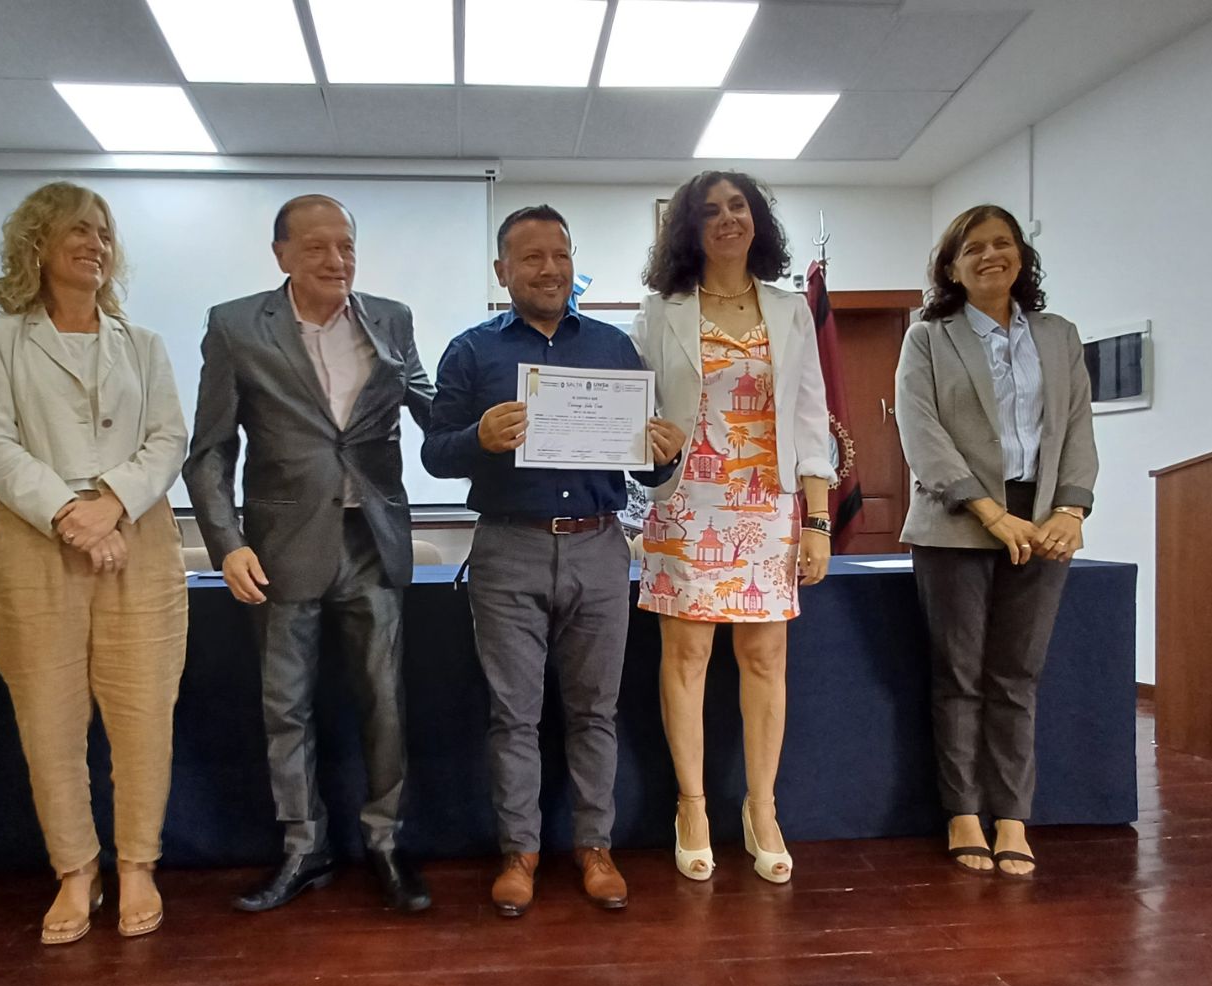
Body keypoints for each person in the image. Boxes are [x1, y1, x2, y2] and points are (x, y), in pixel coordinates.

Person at [423, 205, 686, 917]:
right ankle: (521, 852)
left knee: (596, 711)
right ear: (502, 270)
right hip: (508, 546)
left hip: (599, 546)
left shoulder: (614, 349)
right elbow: (435, 454)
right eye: (532, 257)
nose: (550, 269)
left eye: (561, 255)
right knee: (513, 715)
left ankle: (595, 847)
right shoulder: (471, 352)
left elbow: (644, 470)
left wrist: (666, 456)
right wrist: (478, 438)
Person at [184, 194, 435, 914]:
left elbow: (433, 408)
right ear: (282, 255)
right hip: (281, 547)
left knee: (385, 701)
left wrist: (505, 424)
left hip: (373, 539)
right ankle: (304, 847)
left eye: (346, 245)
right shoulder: (236, 326)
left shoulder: (390, 318)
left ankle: (385, 843)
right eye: (318, 246)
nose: (336, 259)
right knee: (285, 707)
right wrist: (227, 544)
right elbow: (210, 452)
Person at [0, 182, 188, 943]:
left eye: (104, 233)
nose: (95, 244)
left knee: (143, 715)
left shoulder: (143, 344)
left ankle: (138, 864)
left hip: (138, 538)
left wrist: (111, 505)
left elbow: (168, 438)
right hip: (35, 542)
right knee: (49, 718)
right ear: (37, 244)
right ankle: (76, 870)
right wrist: (71, 515)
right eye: (77, 231)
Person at [631, 171, 835, 885]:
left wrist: (818, 520)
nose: (726, 219)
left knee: (764, 658)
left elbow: (810, 417)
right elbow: (637, 411)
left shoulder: (790, 309)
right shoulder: (658, 313)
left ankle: (762, 808)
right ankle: (691, 807)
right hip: (686, 501)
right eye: (710, 210)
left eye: (738, 206)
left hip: (768, 501)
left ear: (757, 221)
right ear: (689, 227)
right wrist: (643, 439)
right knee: (686, 657)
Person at [895, 204, 1099, 877]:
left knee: (1017, 676)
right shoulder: (928, 338)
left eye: (1002, 243)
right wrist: (988, 512)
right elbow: (922, 433)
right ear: (952, 268)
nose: (990, 256)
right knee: (959, 676)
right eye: (973, 248)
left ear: (1021, 256)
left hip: (1042, 524)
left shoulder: (1058, 336)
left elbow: (1076, 427)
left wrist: (1071, 510)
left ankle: (1012, 814)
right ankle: (962, 811)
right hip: (956, 522)